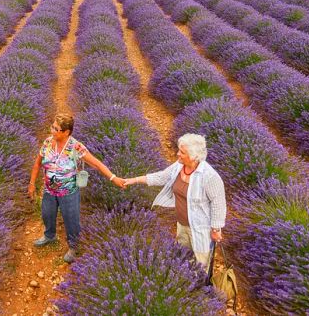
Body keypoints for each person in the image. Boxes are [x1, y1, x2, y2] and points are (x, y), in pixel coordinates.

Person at [28, 113, 126, 263]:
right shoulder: (48, 142)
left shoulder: (76, 147)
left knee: (71, 220)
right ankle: (50, 235)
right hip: (49, 189)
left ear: (66, 132)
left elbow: (97, 164)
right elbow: (37, 164)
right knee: (47, 214)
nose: (52, 130)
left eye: (56, 128)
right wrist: (32, 183)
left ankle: (74, 247)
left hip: (69, 192)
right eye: (52, 126)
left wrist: (114, 178)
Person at [123, 133, 226, 270]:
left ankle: (198, 289)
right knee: (183, 258)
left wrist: (216, 229)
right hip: (182, 225)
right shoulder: (179, 166)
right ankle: (184, 284)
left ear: (194, 156)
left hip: (201, 229)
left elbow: (218, 203)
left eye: (182, 152)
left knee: (200, 265)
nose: (178, 154)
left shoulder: (209, 176)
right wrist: (134, 180)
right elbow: (162, 177)